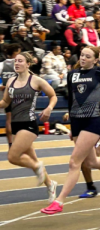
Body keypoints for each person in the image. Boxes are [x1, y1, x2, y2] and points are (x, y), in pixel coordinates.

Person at [40, 46, 100, 214]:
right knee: (91, 162)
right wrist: (73, 127)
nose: (83, 58)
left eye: (87, 56)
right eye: (82, 55)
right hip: (78, 123)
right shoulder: (73, 74)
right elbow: (72, 100)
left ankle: (59, 202)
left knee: (74, 162)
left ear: (95, 60)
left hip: (92, 122)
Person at [0, 52, 58, 199]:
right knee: (33, 159)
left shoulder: (36, 81)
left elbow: (53, 96)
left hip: (29, 124)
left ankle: (37, 167)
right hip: (15, 125)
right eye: (15, 61)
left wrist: (49, 108)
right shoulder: (11, 81)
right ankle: (50, 184)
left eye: (20, 61)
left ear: (28, 64)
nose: (17, 63)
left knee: (13, 157)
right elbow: (5, 102)